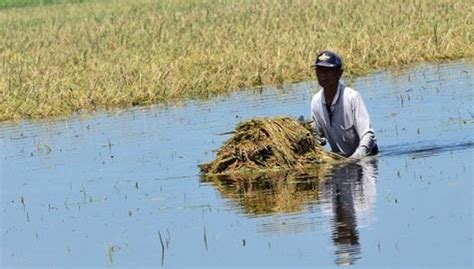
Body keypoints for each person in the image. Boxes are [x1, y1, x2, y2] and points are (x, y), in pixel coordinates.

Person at [310, 50, 378, 158]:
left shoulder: (352, 98)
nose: (323, 75)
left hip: (366, 157)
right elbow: (318, 136)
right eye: (319, 71)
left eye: (327, 71)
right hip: (342, 158)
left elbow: (368, 135)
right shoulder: (316, 101)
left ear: (339, 74)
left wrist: (354, 159)